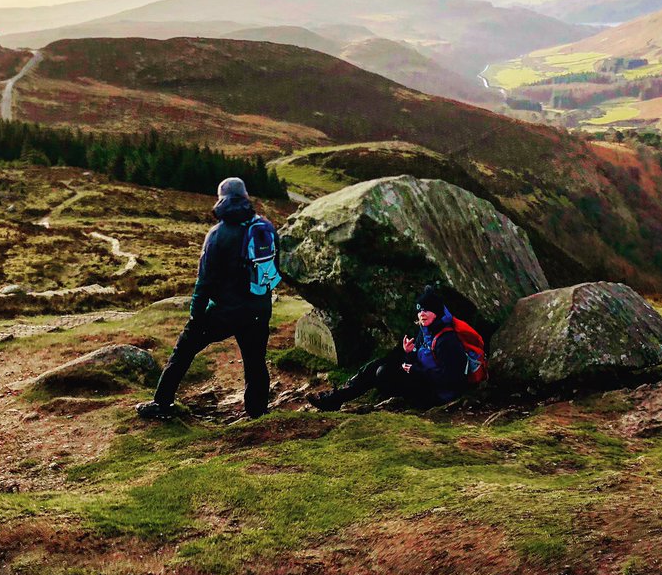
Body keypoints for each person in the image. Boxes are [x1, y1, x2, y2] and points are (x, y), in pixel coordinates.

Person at [137, 177, 274, 420]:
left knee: (184, 349)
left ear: (221, 199)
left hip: (225, 311)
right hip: (258, 307)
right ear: (245, 196)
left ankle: (162, 403)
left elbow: (205, 280)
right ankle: (258, 413)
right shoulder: (265, 227)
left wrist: (196, 314)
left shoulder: (218, 234)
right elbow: (274, 268)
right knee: (255, 361)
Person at [307, 285, 469, 411]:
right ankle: (336, 398)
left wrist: (414, 370)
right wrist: (409, 353)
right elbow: (417, 360)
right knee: (376, 365)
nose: (422, 314)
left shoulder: (447, 339)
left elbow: (450, 378)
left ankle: (336, 398)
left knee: (383, 372)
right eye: (420, 310)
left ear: (437, 312)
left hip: (437, 393)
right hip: (422, 380)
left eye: (427, 310)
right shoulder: (425, 331)